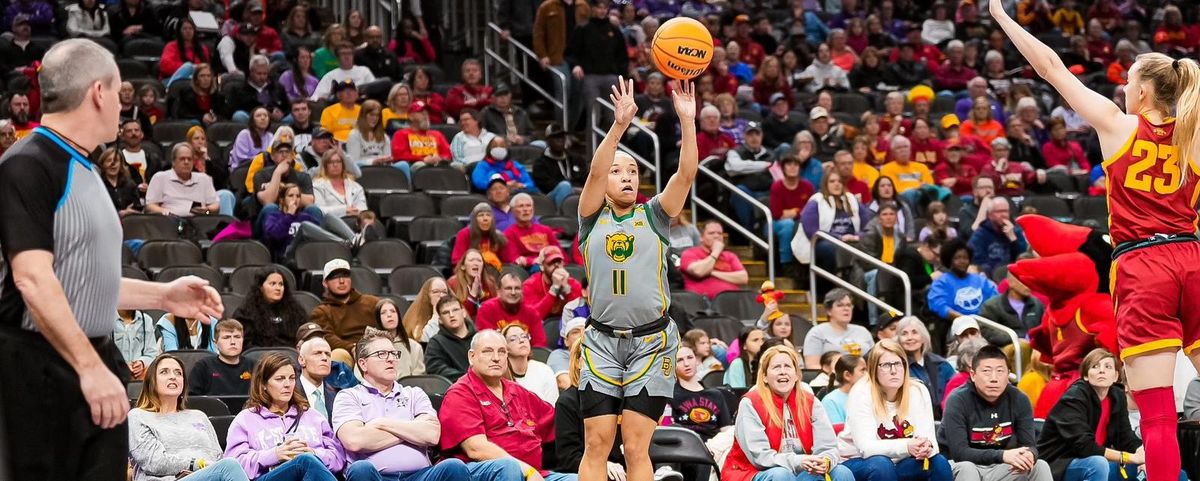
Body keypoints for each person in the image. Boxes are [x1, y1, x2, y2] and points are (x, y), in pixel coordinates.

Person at [0, 39, 223, 481]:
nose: (124, 105)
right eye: (120, 92)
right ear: (99, 92)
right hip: (43, 368)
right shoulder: (26, 165)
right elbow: (32, 280)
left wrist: (163, 296)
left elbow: (80, 279)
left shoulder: (85, 167)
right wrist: (88, 367)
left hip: (90, 359)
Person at [574, 76, 697, 481]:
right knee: (596, 443)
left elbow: (685, 175)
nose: (627, 176)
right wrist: (619, 126)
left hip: (651, 342)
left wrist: (688, 121)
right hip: (601, 342)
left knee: (635, 446)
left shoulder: (655, 216)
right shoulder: (592, 218)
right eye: (617, 171)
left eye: (633, 171)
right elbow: (592, 175)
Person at [332, 331, 475, 481]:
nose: (391, 359)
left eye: (394, 354)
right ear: (363, 364)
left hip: (421, 476)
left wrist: (382, 423)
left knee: (454, 466)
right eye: (382, 354)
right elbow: (354, 441)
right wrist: (412, 432)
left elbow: (432, 435)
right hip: (378, 476)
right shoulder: (348, 396)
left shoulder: (414, 394)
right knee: (360, 469)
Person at [438, 329, 576, 481]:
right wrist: (526, 470)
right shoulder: (460, 393)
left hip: (536, 474)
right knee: (509, 469)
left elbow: (558, 422)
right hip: (487, 473)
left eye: (502, 352)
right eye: (487, 351)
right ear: (472, 356)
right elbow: (476, 449)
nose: (496, 358)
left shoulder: (516, 390)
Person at [1036, 349, 1174, 481]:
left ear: (1115, 376)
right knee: (1099, 464)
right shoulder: (1074, 399)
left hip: (1096, 459)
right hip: (1058, 464)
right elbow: (1085, 446)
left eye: (1108, 367)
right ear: (1085, 375)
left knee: (1169, 471)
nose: (1101, 370)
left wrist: (1143, 455)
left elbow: (1125, 437)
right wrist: (1131, 458)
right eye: (1095, 366)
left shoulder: (1117, 396)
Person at [722, 345, 855, 481]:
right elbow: (760, 457)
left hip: (802, 468)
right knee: (781, 475)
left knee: (841, 472)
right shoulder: (750, 403)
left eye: (787, 366)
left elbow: (828, 447)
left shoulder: (811, 402)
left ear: (797, 375)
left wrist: (825, 461)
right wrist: (799, 461)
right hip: (753, 471)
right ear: (765, 377)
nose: (782, 372)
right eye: (776, 367)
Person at [837, 339, 953, 481]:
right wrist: (907, 446)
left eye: (898, 364)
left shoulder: (918, 391)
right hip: (858, 461)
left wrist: (927, 447)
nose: (893, 371)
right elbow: (866, 448)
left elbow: (930, 440)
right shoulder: (862, 392)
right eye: (886, 365)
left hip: (902, 461)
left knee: (938, 462)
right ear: (873, 369)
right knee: (882, 465)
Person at [128, 354, 250, 481]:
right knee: (229, 466)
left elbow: (217, 457)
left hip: (209, 476)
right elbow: (154, 463)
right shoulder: (138, 416)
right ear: (151, 381)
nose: (173, 377)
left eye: (178, 373)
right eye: (164, 372)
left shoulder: (199, 416)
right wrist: (197, 464)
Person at [941, 345, 1053, 481]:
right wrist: (1003, 455)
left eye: (1000, 371)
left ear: (1008, 374)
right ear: (973, 375)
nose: (994, 378)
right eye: (987, 371)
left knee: (1039, 466)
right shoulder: (957, 400)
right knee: (967, 469)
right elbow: (960, 453)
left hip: (1001, 466)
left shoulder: (1019, 399)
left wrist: (1030, 455)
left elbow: (1029, 445)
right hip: (959, 465)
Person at [224, 353, 343, 480]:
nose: (288, 384)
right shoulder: (246, 419)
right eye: (280, 379)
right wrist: (274, 455)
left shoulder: (313, 416)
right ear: (263, 384)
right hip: (269, 477)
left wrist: (314, 453)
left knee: (308, 460)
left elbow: (338, 458)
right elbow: (233, 467)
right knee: (304, 461)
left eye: (291, 378)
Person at [672, 344, 735, 470]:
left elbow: (726, 430)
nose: (686, 363)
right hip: (684, 448)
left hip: (713, 448)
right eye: (680, 360)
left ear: (697, 361)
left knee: (735, 430)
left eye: (690, 358)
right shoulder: (670, 394)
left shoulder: (715, 394)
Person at [310, 259, 381, 365]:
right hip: (347, 351)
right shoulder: (321, 311)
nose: (342, 281)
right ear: (325, 283)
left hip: (375, 348)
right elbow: (328, 337)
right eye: (335, 277)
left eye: (345, 276)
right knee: (338, 354)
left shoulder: (372, 302)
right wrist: (352, 348)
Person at [232, 266, 307, 348]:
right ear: (260, 287)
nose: (278, 288)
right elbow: (245, 343)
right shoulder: (245, 313)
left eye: (281, 284)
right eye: (273, 284)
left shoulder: (295, 311)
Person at [895, 317, 956, 416]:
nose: (910, 337)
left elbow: (956, 392)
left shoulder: (941, 364)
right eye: (904, 333)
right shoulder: (897, 367)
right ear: (898, 340)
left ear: (923, 337)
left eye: (914, 332)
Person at [927, 239, 1000, 321]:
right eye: (957, 258)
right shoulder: (941, 283)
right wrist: (966, 321)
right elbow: (940, 307)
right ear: (949, 260)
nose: (962, 261)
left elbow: (996, 299)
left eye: (965, 258)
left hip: (985, 324)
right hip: (955, 325)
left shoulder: (980, 280)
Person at [144, 143, 221, 217]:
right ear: (173, 162)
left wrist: (207, 211)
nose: (186, 162)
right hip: (168, 223)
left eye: (189, 159)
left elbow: (216, 206)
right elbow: (149, 206)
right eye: (182, 159)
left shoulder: (203, 179)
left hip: (199, 224)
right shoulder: (160, 177)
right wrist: (166, 213)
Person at [803, 289, 875, 368]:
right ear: (828, 310)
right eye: (840, 305)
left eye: (848, 305)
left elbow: (875, 360)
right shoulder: (817, 332)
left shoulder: (862, 331)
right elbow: (812, 366)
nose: (846, 308)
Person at [681, 221, 750, 300]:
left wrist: (711, 272)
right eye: (711, 233)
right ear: (701, 237)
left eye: (719, 233)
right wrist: (715, 252)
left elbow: (743, 278)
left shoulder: (729, 256)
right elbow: (698, 272)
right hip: (703, 302)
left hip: (732, 301)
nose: (716, 236)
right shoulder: (690, 253)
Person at [476, 273, 547, 348]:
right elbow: (486, 341)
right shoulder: (487, 309)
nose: (513, 292)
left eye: (517, 288)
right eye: (508, 288)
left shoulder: (531, 313)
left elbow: (539, 344)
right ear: (499, 291)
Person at [189, 320, 255, 396]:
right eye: (226, 337)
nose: (233, 342)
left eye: (237, 337)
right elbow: (192, 399)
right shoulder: (203, 367)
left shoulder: (255, 366)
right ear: (216, 343)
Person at [967, 197, 1028, 278]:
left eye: (1006, 211)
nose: (1004, 215)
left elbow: (1024, 257)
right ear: (990, 215)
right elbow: (977, 262)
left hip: (1015, 276)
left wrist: (1013, 239)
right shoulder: (980, 235)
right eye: (999, 211)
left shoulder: (1015, 231)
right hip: (991, 277)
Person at [978, 274, 1045, 347]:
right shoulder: (992, 306)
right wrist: (1014, 339)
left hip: (1035, 348)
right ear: (1011, 282)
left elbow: (1045, 329)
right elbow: (986, 331)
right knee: (1023, 347)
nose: (1028, 285)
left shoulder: (1037, 304)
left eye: (1030, 281)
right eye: (1024, 281)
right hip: (1006, 349)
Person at [502, 323, 559, 404]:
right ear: (505, 348)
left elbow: (553, 407)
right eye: (513, 339)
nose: (522, 340)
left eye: (524, 336)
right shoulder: (500, 375)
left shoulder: (544, 370)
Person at [425, 296, 477, 381]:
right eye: (446, 312)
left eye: (455, 310)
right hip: (455, 389)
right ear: (440, 320)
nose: (451, 315)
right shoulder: (436, 343)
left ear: (464, 313)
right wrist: (469, 378)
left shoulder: (480, 338)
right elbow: (437, 370)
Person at [522, 246, 583, 319]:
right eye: (551, 262)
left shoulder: (573, 283)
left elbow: (581, 315)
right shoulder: (530, 285)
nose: (556, 265)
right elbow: (533, 316)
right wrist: (554, 289)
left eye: (559, 262)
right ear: (541, 266)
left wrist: (567, 290)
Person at [532, 124, 586, 205]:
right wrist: (573, 189)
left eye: (562, 137)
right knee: (565, 186)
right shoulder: (540, 163)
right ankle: (564, 216)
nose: (560, 140)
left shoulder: (575, 158)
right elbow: (546, 186)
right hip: (551, 199)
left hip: (579, 194)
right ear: (548, 140)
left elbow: (585, 176)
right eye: (556, 137)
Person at [370, 299, 425, 378]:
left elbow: (418, 378)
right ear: (378, 319)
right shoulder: (369, 347)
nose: (389, 315)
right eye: (383, 312)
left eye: (393, 311)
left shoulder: (415, 347)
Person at [311, 43, 376, 101]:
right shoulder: (330, 76)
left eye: (349, 53)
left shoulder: (364, 71)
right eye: (343, 54)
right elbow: (316, 97)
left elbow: (375, 88)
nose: (347, 56)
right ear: (337, 57)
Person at [296, 333, 338, 420]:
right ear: (302, 360)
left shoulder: (337, 395)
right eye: (317, 353)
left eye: (328, 354)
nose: (324, 358)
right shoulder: (289, 392)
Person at [471, 138, 538, 193]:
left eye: (502, 146)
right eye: (495, 146)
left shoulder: (515, 165)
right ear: (489, 149)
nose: (498, 148)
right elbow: (479, 183)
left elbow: (530, 183)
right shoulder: (483, 165)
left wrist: (520, 185)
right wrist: (503, 186)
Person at [448, 249, 499, 318]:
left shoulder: (489, 282)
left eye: (479, 261)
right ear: (463, 266)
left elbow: (495, 310)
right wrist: (473, 294)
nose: (476, 263)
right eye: (471, 260)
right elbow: (459, 315)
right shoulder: (452, 283)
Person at [821, 354, 866, 427]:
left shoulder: (869, 396)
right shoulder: (830, 401)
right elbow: (838, 432)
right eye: (863, 370)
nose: (867, 375)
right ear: (847, 375)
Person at [115, 310, 161, 381]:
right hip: (113, 376)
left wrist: (142, 362)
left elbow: (152, 353)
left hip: (139, 378)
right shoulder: (105, 320)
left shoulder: (146, 320)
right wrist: (122, 365)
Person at [345, 100, 392, 168]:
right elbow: (353, 162)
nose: (375, 118)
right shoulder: (354, 135)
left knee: (403, 165)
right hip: (364, 170)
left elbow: (388, 159)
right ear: (363, 115)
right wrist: (372, 162)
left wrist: (386, 160)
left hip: (382, 169)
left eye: (377, 115)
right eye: (372, 115)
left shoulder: (384, 136)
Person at [319, 79, 362, 143]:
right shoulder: (328, 111)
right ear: (338, 95)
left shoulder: (363, 110)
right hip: (337, 144)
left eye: (352, 90)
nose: (349, 93)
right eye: (344, 90)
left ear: (356, 94)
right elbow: (324, 133)